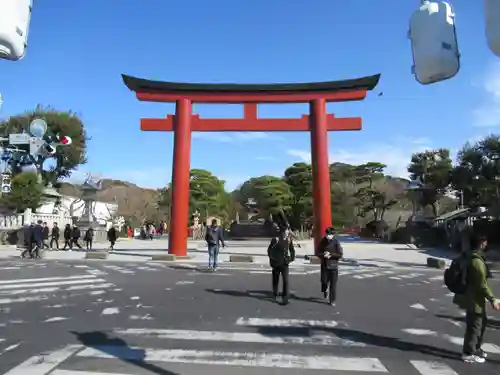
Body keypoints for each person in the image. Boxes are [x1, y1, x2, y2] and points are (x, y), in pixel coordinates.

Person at [453, 235, 500, 364]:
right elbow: (482, 284)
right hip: (473, 299)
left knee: (481, 324)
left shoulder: (473, 257)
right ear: (480, 243)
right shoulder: (476, 261)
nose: (486, 245)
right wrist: (492, 299)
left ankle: (476, 348)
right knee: (474, 326)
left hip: (475, 298)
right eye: (484, 243)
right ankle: (468, 353)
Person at [267, 225, 295, 305]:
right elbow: (269, 251)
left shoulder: (289, 240)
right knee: (275, 280)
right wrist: (273, 259)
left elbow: (292, 250)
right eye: (286, 231)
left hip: (285, 263)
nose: (287, 232)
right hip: (276, 263)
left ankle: (285, 298)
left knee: (286, 281)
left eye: (288, 231)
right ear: (282, 232)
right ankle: (275, 293)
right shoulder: (275, 240)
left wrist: (291, 259)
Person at [316, 227, 343, 306]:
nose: (328, 236)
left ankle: (332, 300)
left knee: (333, 284)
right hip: (324, 265)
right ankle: (325, 290)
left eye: (330, 234)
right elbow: (317, 252)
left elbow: (340, 254)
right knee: (324, 281)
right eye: (327, 234)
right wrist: (323, 255)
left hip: (333, 266)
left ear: (333, 234)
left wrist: (331, 255)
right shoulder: (323, 241)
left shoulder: (336, 242)